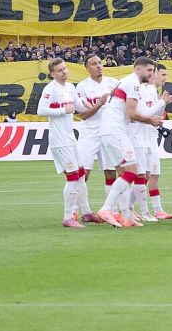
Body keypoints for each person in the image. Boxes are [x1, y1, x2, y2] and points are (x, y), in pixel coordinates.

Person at [96, 57, 164, 227]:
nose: (151, 74)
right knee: (132, 172)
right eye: (149, 70)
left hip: (109, 131)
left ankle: (126, 216)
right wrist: (151, 121)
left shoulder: (125, 82)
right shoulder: (133, 83)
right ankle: (107, 209)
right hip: (116, 132)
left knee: (123, 174)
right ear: (138, 69)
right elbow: (132, 114)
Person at [38, 58, 104, 228]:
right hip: (59, 140)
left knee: (81, 174)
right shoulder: (50, 89)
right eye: (60, 70)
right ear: (53, 74)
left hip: (70, 138)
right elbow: (40, 110)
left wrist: (89, 105)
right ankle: (68, 217)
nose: (64, 72)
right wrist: (62, 110)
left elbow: (78, 107)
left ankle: (87, 213)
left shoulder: (70, 87)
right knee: (73, 177)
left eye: (65, 68)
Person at [131, 62, 172, 222]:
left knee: (149, 174)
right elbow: (143, 114)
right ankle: (146, 211)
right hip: (138, 137)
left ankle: (132, 208)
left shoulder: (151, 90)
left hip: (150, 137)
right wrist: (162, 103)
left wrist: (162, 105)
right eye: (162, 74)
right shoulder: (139, 89)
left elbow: (153, 115)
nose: (164, 78)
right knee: (142, 175)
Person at [75, 55, 120, 202]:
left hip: (109, 133)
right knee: (82, 173)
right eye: (94, 64)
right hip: (90, 133)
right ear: (87, 68)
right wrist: (100, 103)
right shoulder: (82, 86)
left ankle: (111, 210)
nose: (99, 66)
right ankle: (77, 210)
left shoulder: (113, 83)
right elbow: (83, 115)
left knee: (111, 173)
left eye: (100, 63)